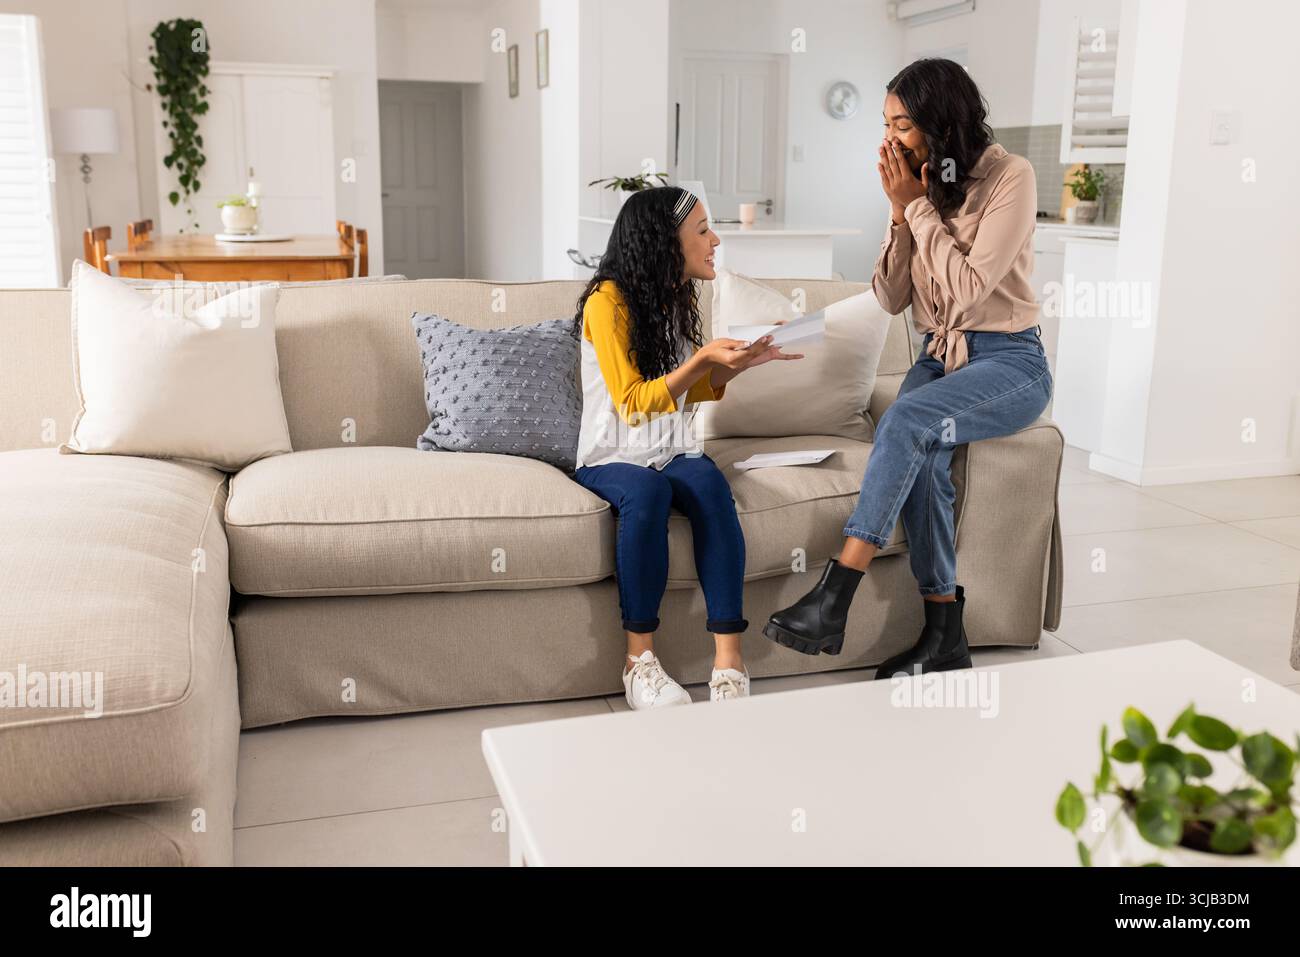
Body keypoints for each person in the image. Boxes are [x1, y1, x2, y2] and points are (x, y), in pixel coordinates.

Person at [764, 58, 1052, 678]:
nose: (890, 138)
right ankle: (945, 634)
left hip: (1010, 360)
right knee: (921, 456)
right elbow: (892, 298)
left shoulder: (1010, 177)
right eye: (887, 123)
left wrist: (917, 209)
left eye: (902, 123)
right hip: (938, 356)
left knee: (906, 420)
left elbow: (973, 292)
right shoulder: (923, 185)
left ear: (940, 121)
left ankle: (834, 595)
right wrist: (901, 215)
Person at [572, 187, 802, 709]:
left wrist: (732, 367)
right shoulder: (607, 302)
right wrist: (701, 362)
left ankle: (728, 663)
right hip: (612, 455)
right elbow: (633, 403)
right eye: (702, 230)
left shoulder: (673, 295)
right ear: (664, 242)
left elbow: (683, 390)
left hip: (672, 447)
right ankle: (638, 663)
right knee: (647, 494)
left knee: (709, 487)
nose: (715, 239)